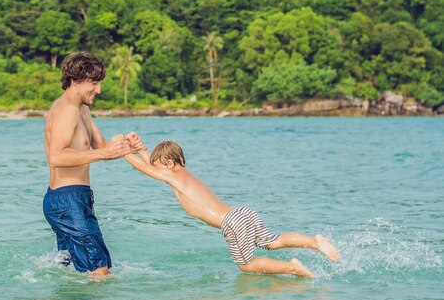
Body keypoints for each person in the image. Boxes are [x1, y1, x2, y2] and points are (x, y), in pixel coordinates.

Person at [123, 134, 340, 277]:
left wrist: (123, 152)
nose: (158, 169)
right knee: (272, 242)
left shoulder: (174, 177)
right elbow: (154, 165)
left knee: (246, 265)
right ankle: (314, 241)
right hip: (242, 212)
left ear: (170, 164)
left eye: (160, 165)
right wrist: (140, 148)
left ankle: (292, 268)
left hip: (231, 221)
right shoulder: (183, 174)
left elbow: (147, 170)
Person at [43, 52, 138, 276]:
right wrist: (103, 154)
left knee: (72, 270)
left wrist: (126, 146)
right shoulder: (67, 109)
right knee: (99, 268)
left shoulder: (82, 108)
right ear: (75, 80)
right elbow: (56, 157)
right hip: (66, 200)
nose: (99, 90)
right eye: (94, 83)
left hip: (76, 198)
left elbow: (101, 146)